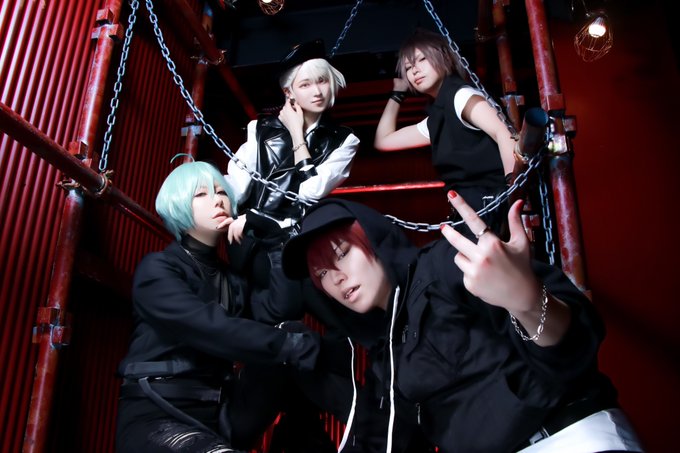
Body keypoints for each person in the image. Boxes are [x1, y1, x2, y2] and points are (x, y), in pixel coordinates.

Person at [280, 193, 644, 453]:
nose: (337, 278)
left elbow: (580, 341)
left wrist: (526, 299)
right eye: (321, 274)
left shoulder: (446, 265)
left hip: (568, 436)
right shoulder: (383, 361)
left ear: (372, 239)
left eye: (342, 254)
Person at [115, 161, 326, 453]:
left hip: (222, 415)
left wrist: (276, 242)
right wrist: (290, 346)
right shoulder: (158, 269)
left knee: (292, 333)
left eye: (222, 192)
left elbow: (283, 311)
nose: (218, 200)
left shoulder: (232, 280)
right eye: (201, 194)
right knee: (289, 345)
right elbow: (208, 327)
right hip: (159, 414)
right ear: (177, 205)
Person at [225, 39, 359, 285]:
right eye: (305, 84)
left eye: (322, 81)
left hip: (293, 243)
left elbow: (310, 192)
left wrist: (297, 134)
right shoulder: (260, 128)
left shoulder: (343, 140)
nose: (317, 92)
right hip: (247, 234)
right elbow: (238, 186)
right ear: (289, 92)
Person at [374, 28, 522, 235]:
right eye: (408, 67)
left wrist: (513, 191)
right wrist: (398, 93)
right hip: (470, 212)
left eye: (422, 59)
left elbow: (503, 132)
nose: (414, 70)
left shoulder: (461, 96)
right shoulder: (438, 117)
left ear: (444, 57)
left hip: (492, 207)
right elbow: (384, 141)